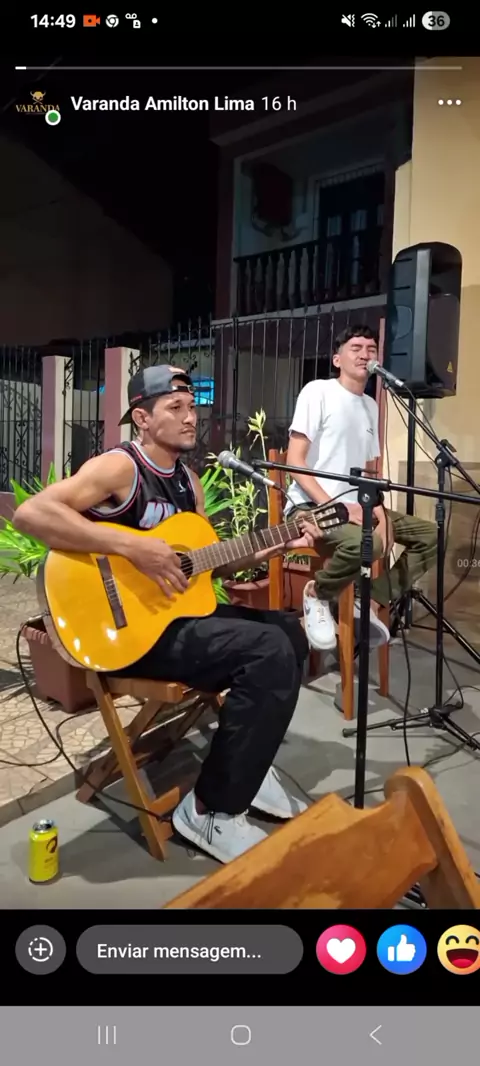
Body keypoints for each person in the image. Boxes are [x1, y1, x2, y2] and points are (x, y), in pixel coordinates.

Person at [13, 365, 320, 865]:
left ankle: (246, 766)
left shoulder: (189, 483)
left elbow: (204, 563)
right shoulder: (121, 468)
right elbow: (31, 514)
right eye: (174, 407)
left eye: (191, 406)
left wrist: (273, 545)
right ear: (142, 418)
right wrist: (133, 547)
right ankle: (210, 811)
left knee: (289, 632)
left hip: (175, 620)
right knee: (266, 652)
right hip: (125, 631)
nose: (190, 416)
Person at [285, 325, 437, 652]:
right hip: (311, 506)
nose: (365, 354)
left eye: (371, 348)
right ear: (337, 359)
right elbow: (295, 461)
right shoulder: (318, 391)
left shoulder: (371, 405)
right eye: (356, 348)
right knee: (369, 544)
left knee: (430, 536)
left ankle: (368, 599)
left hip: (358, 507)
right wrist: (337, 507)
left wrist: (381, 514)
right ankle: (317, 593)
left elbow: (370, 472)